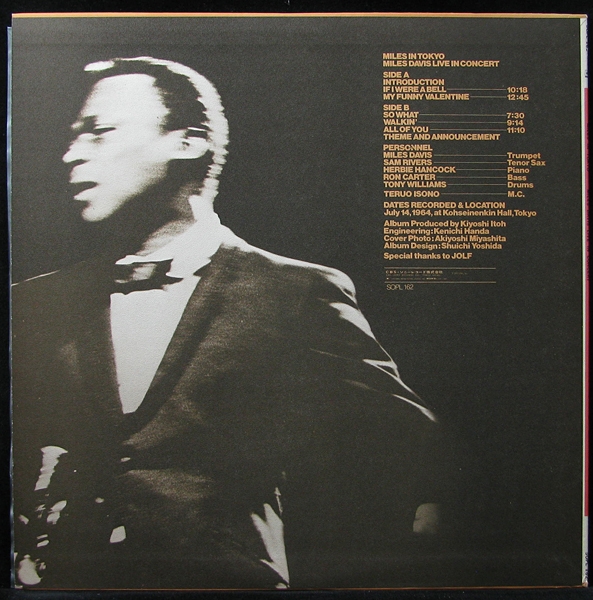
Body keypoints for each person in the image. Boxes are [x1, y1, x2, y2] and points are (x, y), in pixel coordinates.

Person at [12, 56, 446, 590]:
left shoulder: (294, 291)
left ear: (188, 142)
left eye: (100, 132)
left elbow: (417, 451)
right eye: (74, 136)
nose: (71, 154)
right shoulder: (34, 302)